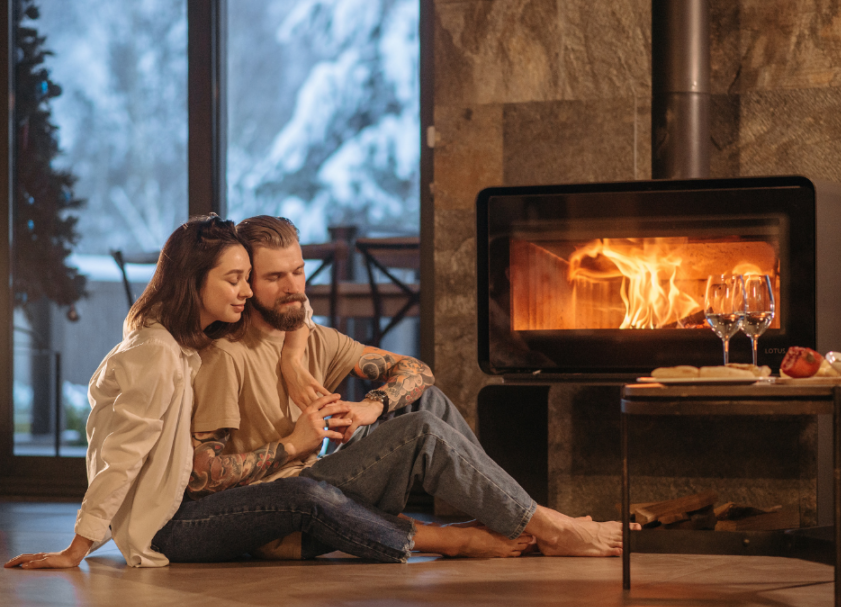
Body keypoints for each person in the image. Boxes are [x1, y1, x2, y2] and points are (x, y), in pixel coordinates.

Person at [5, 215, 515, 570]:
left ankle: (518, 516)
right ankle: (455, 537)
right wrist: (78, 547)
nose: (249, 292)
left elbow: (293, 305)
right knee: (307, 490)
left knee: (422, 405)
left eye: (252, 278)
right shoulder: (165, 353)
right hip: (169, 525)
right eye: (237, 280)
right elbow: (124, 454)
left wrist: (301, 362)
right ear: (193, 282)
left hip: (228, 501)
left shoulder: (190, 339)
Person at [187, 215, 639, 559]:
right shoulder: (226, 358)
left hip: (323, 477)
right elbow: (202, 478)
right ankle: (550, 529)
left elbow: (418, 371)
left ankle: (514, 520)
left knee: (428, 403)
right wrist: (290, 445)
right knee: (420, 430)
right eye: (275, 278)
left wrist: (370, 407)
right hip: (290, 515)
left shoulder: (311, 337)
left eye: (299, 272)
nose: (294, 288)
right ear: (247, 282)